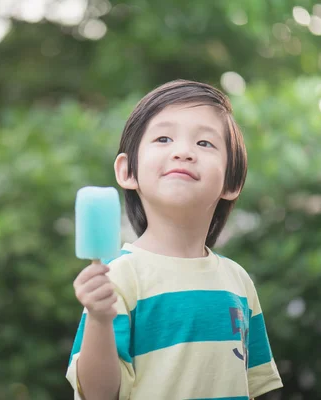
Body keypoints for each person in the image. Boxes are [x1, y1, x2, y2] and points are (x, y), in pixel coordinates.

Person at [66, 79, 283, 400]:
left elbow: (252, 388)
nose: (183, 152)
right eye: (163, 138)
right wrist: (99, 319)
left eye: (205, 143)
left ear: (232, 180)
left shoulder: (237, 282)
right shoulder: (116, 279)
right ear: (128, 171)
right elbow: (98, 395)